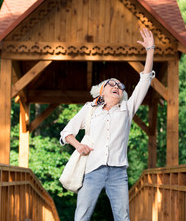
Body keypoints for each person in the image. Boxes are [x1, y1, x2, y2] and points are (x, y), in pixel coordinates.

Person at [59, 28, 155, 221]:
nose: (117, 87)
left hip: (118, 173)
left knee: (122, 217)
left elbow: (144, 80)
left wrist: (150, 50)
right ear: (101, 92)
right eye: (112, 84)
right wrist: (78, 146)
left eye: (121, 86)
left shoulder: (127, 109)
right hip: (93, 170)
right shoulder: (90, 109)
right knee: (81, 217)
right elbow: (67, 132)